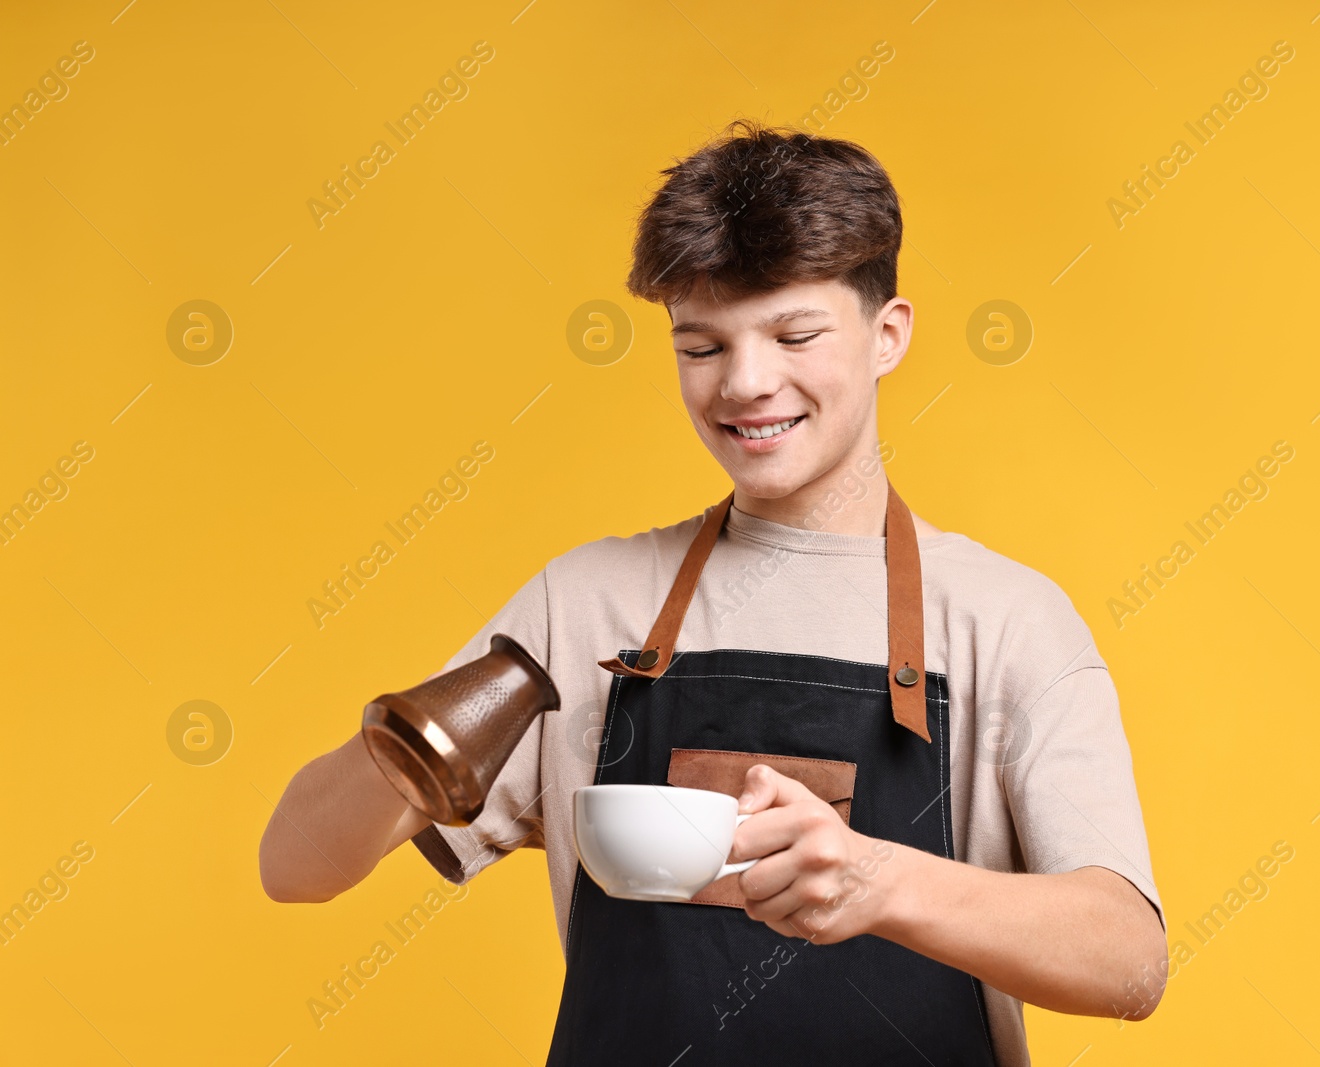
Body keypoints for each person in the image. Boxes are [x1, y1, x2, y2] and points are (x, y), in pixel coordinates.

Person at [259, 117, 1167, 1065]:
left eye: (795, 333)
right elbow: (293, 869)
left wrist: (877, 881)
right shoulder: (585, 608)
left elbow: (1131, 963)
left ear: (887, 334)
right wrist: (411, 747)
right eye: (701, 346)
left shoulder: (1005, 622)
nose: (745, 383)